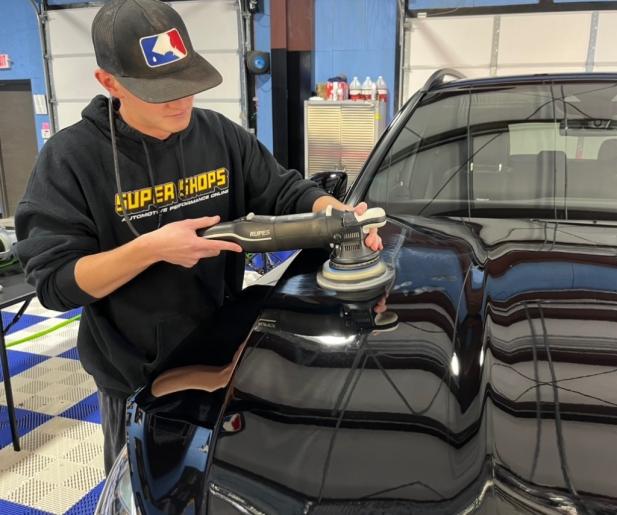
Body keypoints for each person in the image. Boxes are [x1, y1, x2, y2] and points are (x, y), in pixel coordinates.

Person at [14, 0, 381, 475]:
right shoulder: (70, 161)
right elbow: (56, 283)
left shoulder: (219, 136)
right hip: (133, 379)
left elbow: (284, 188)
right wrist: (152, 249)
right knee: (145, 488)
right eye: (160, 90)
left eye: (187, 84)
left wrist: (340, 214)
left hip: (222, 351)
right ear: (109, 82)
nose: (180, 100)